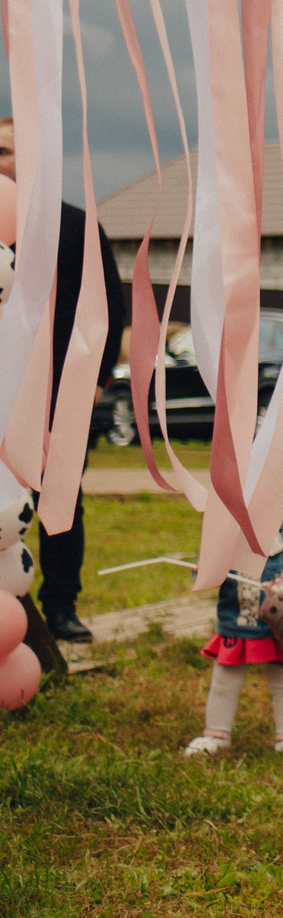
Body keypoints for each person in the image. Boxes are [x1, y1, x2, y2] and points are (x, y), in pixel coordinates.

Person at [0, 116, 130, 644]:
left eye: (5, 149)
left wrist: (95, 379)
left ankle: (60, 607)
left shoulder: (74, 226)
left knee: (59, 500)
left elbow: (108, 307)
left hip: (56, 389)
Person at [184, 483, 283, 756]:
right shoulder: (231, 525)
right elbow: (207, 566)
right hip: (239, 621)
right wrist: (204, 568)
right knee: (224, 682)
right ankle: (216, 735)